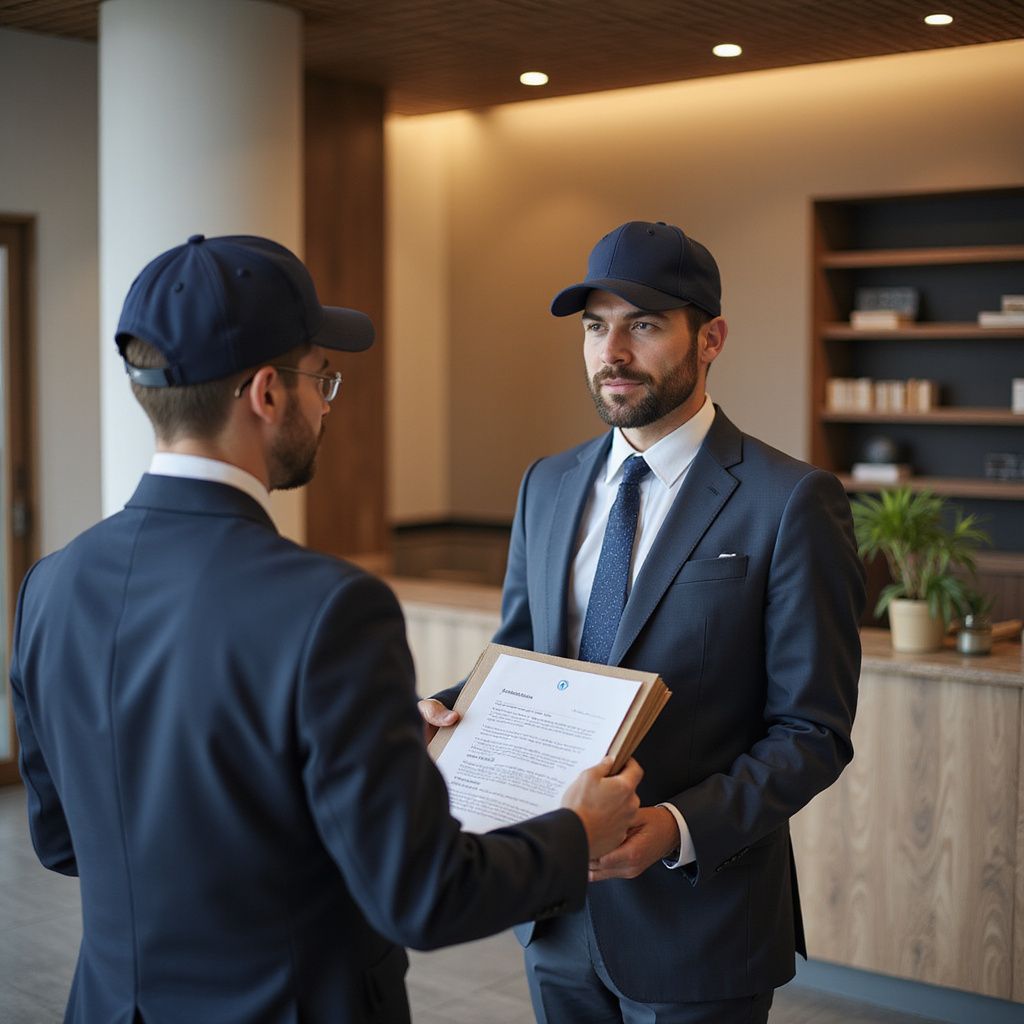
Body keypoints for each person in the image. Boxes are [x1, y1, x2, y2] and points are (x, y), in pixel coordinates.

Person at [9, 233, 643, 1024]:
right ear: (266, 393)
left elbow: (63, 842)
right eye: (321, 376)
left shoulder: (49, 586)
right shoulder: (331, 608)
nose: (328, 400)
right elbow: (425, 898)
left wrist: (347, 765)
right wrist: (576, 832)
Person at [420, 220, 866, 1023]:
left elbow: (813, 730)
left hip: (701, 924)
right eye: (595, 327)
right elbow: (524, 658)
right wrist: (451, 713)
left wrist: (673, 828)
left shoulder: (791, 500)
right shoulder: (547, 485)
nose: (611, 352)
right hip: (552, 911)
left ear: (712, 338)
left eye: (645, 324)